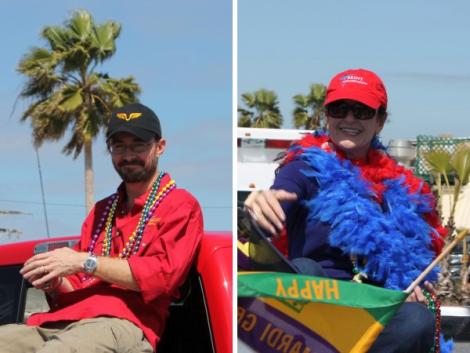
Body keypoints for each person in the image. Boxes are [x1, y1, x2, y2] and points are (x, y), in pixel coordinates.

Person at [244, 69, 450, 353]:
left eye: (361, 111)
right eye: (339, 109)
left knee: (417, 319)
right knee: (304, 271)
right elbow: (281, 195)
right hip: (317, 308)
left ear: (380, 121)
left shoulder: (400, 187)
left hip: (371, 312)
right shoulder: (305, 167)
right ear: (327, 116)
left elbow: (412, 257)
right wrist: (260, 206)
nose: (349, 119)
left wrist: (412, 285)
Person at [0, 102, 203, 353]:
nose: (128, 156)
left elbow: (162, 276)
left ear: (160, 147)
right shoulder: (102, 209)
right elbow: (77, 282)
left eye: (138, 145)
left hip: (120, 323)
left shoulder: (180, 204)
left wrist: (84, 261)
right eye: (119, 146)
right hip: (62, 322)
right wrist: (54, 280)